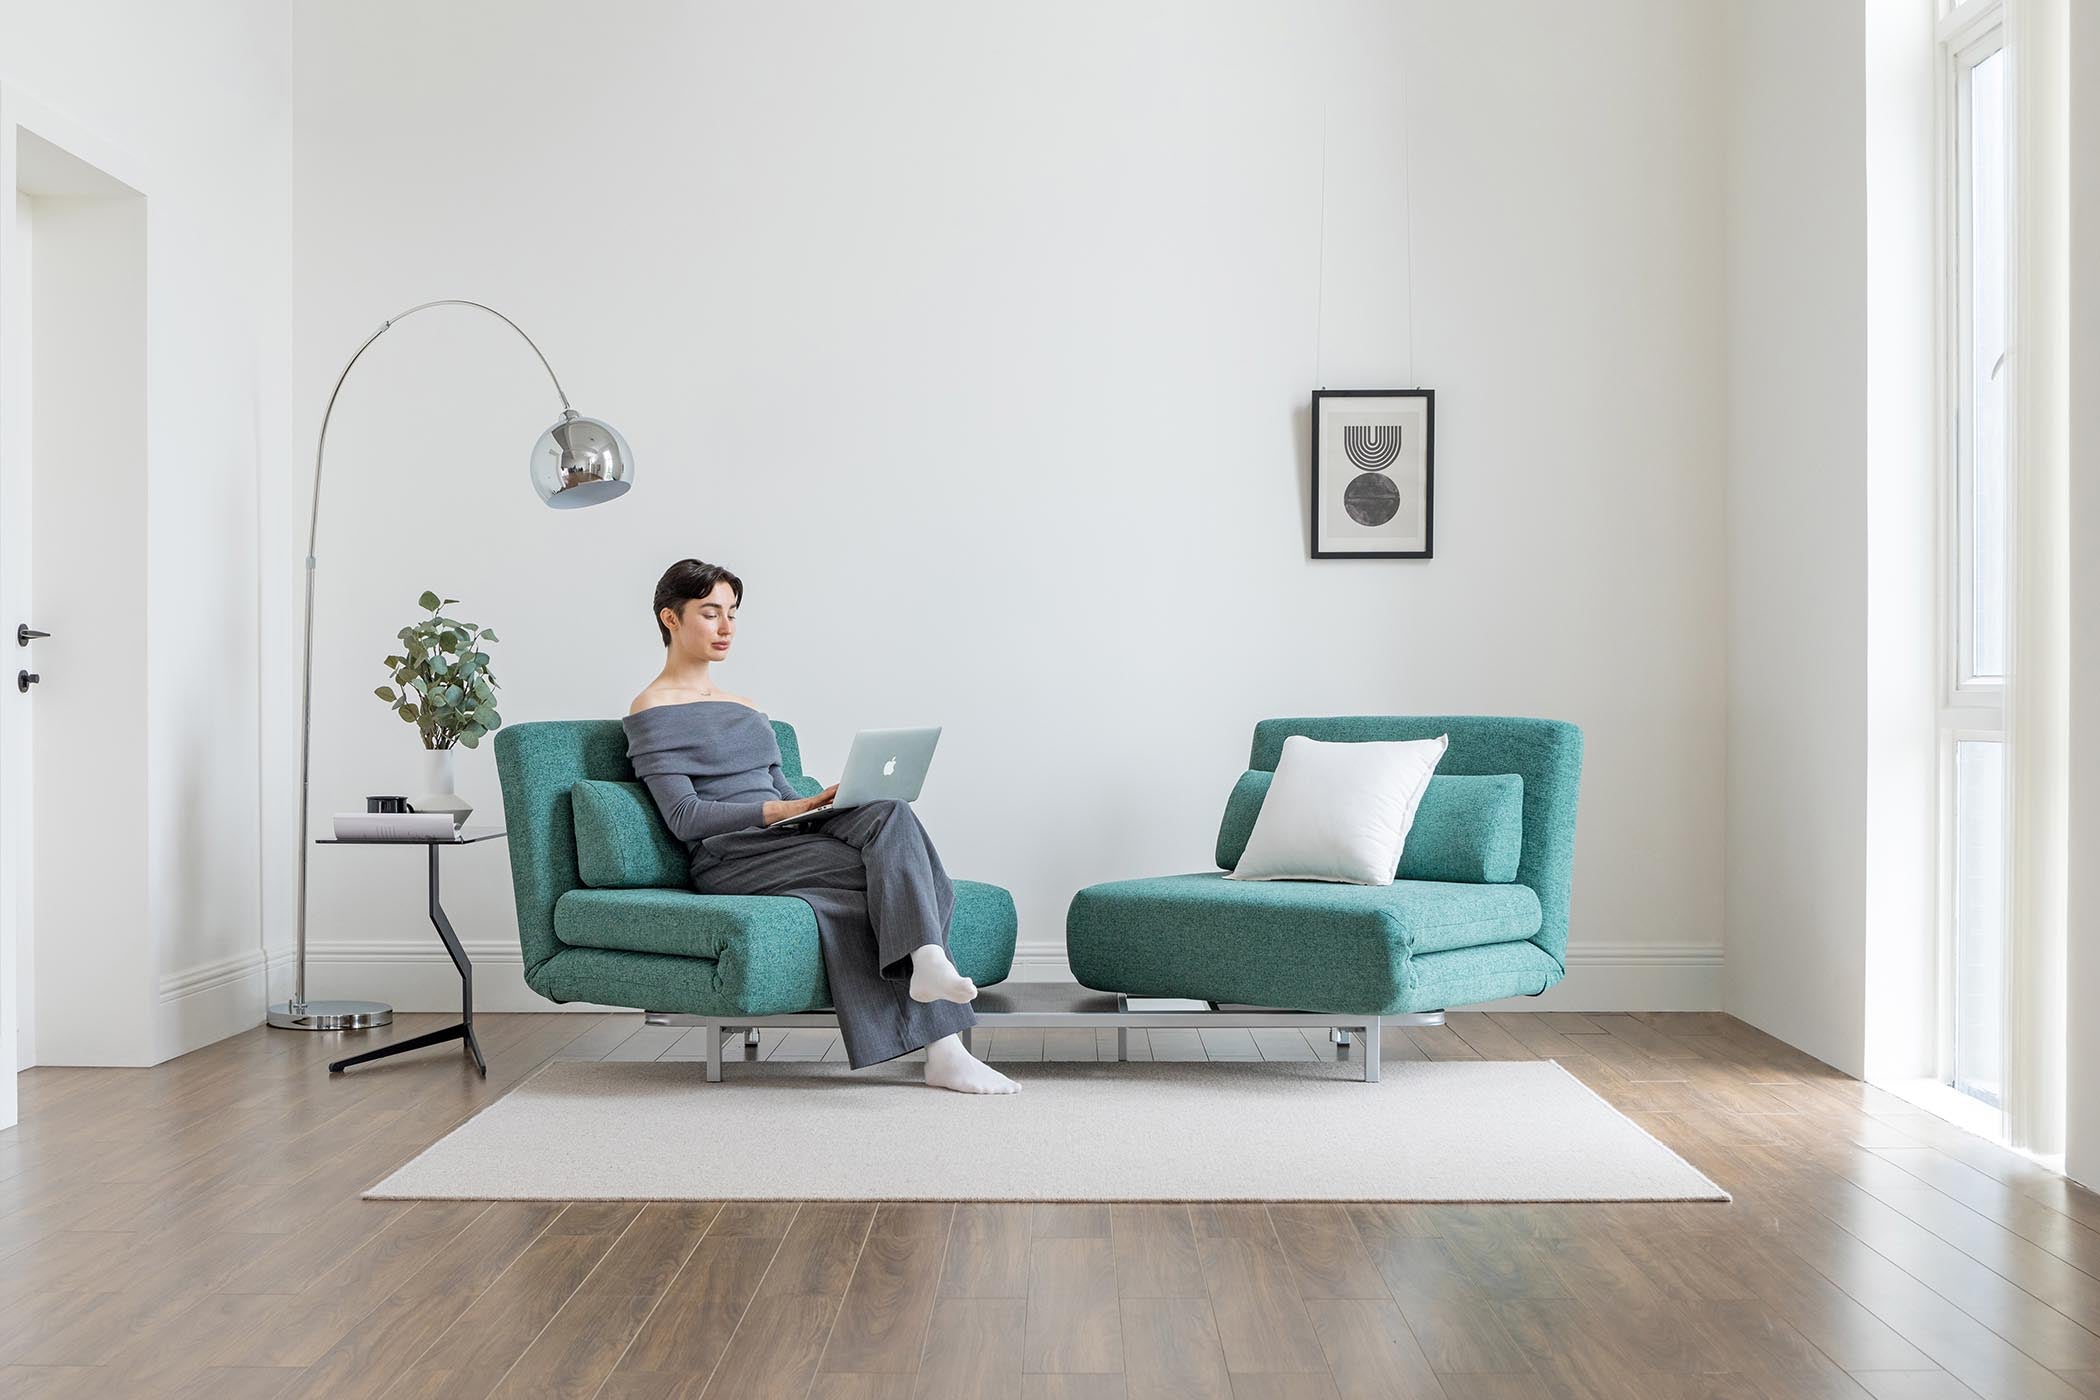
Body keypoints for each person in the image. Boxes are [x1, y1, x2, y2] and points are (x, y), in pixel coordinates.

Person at [622, 558, 1020, 1094]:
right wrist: (782, 812)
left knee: (890, 811)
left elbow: (778, 788)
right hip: (730, 858)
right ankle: (943, 1048)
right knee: (899, 873)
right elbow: (685, 817)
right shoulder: (651, 710)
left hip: (788, 839)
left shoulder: (745, 706)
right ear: (670, 619)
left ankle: (928, 964)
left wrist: (819, 805)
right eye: (710, 613)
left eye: (733, 614)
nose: (725, 628)